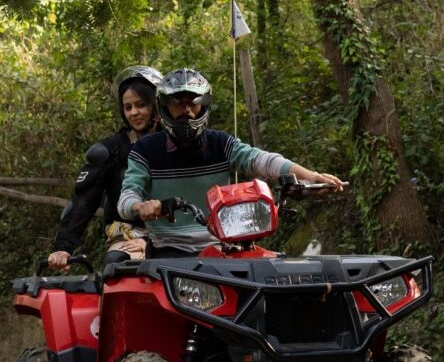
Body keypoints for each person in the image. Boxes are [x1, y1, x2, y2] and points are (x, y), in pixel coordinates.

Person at [118, 68, 345, 256]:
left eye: (193, 103)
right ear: (165, 107)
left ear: (203, 105)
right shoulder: (145, 150)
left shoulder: (220, 142)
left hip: (224, 244)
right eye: (178, 103)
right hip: (168, 249)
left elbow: (261, 160)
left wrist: (310, 177)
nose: (186, 110)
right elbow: (127, 197)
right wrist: (142, 206)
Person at [47, 66, 163, 270]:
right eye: (128, 107)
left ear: (156, 105)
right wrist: (63, 247)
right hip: (128, 237)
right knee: (119, 267)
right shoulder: (111, 150)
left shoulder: (175, 144)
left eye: (141, 105)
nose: (134, 112)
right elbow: (84, 200)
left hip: (175, 237)